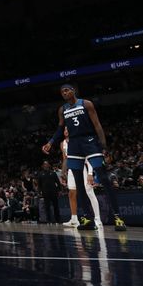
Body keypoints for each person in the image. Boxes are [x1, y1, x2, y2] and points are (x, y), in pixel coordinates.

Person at [42, 84, 126, 231]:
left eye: (67, 90)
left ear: (73, 91)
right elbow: (60, 129)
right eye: (62, 92)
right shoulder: (62, 110)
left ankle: (118, 217)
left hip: (90, 141)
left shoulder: (86, 103)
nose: (64, 93)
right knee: (79, 185)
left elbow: (97, 125)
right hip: (74, 145)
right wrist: (50, 142)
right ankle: (88, 218)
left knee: (104, 179)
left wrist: (104, 146)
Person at [60, 128, 101, 228]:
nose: (66, 130)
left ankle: (97, 219)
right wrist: (62, 172)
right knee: (71, 193)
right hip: (71, 169)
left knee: (89, 192)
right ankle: (74, 219)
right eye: (64, 129)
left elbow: (88, 157)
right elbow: (65, 159)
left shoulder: (80, 139)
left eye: (67, 128)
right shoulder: (62, 143)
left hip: (83, 167)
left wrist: (90, 173)